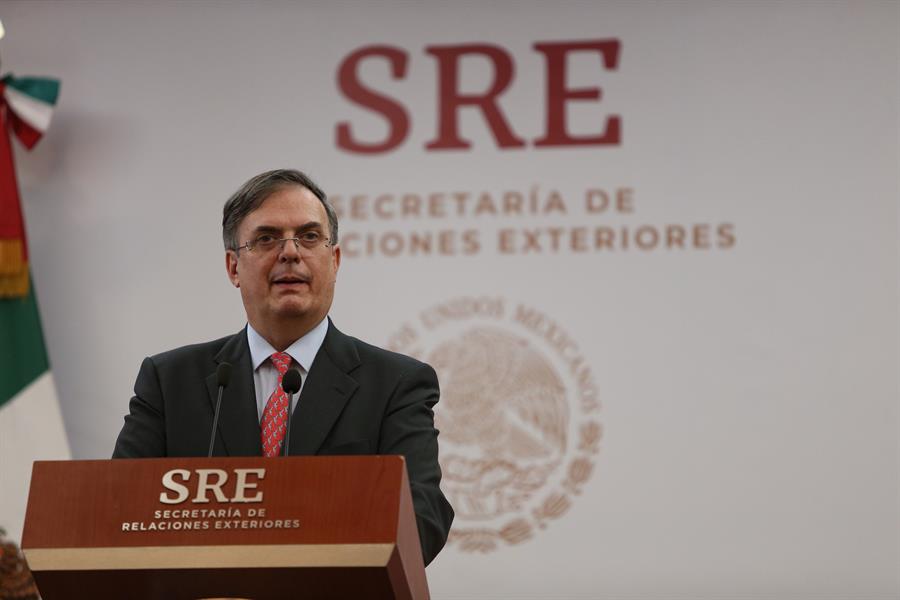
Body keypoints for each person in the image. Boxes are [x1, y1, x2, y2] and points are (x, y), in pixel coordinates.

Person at [113, 169, 453, 565]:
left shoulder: (396, 384)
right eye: (267, 238)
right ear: (233, 267)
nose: (290, 252)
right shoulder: (169, 382)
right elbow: (119, 509)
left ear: (335, 260)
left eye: (308, 236)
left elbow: (421, 519)